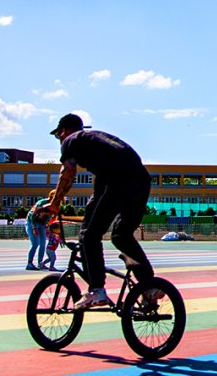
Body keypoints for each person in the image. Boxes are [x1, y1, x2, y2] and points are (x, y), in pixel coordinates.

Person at [48, 113, 155, 310]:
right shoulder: (100, 151)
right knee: (121, 235)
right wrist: (84, 225)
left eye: (58, 136)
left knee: (90, 237)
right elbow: (96, 199)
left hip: (121, 182)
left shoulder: (72, 140)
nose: (59, 140)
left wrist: (54, 204)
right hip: (141, 182)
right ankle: (149, 287)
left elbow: (68, 173)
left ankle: (97, 290)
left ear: (64, 131)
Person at [25, 197, 53, 270]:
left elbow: (48, 218)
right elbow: (32, 215)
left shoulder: (54, 205)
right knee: (35, 243)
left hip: (41, 224)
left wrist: (47, 228)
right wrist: (34, 228)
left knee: (43, 244)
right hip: (31, 222)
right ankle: (29, 263)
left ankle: (40, 263)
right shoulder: (42, 203)